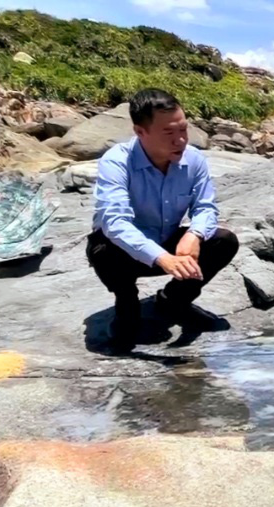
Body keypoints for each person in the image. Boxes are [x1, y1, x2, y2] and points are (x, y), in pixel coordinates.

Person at [86, 88, 239, 351]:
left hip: (168, 240)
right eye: (169, 133)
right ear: (140, 132)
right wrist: (162, 258)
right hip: (125, 253)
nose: (180, 140)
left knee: (224, 241)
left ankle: (173, 301)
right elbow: (115, 223)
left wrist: (195, 234)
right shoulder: (117, 162)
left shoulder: (194, 159)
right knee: (102, 249)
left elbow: (205, 207)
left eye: (183, 130)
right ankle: (126, 304)